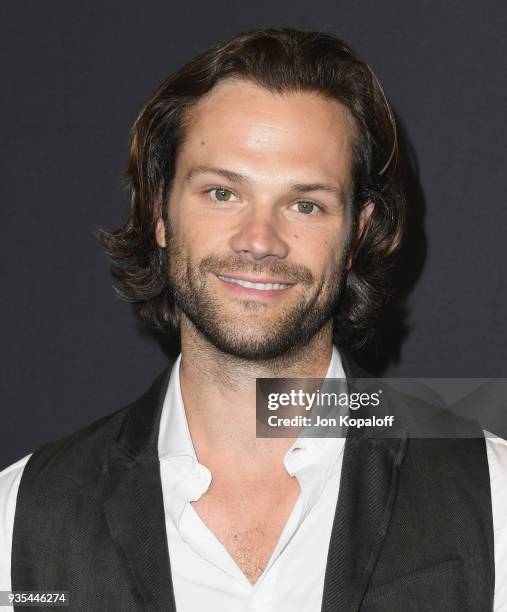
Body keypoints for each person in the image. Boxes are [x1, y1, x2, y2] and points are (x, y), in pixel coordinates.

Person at [0, 28, 505, 611]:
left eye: (305, 204)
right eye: (222, 193)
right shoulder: (21, 520)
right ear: (161, 211)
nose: (260, 241)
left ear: (356, 234)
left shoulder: (493, 498)